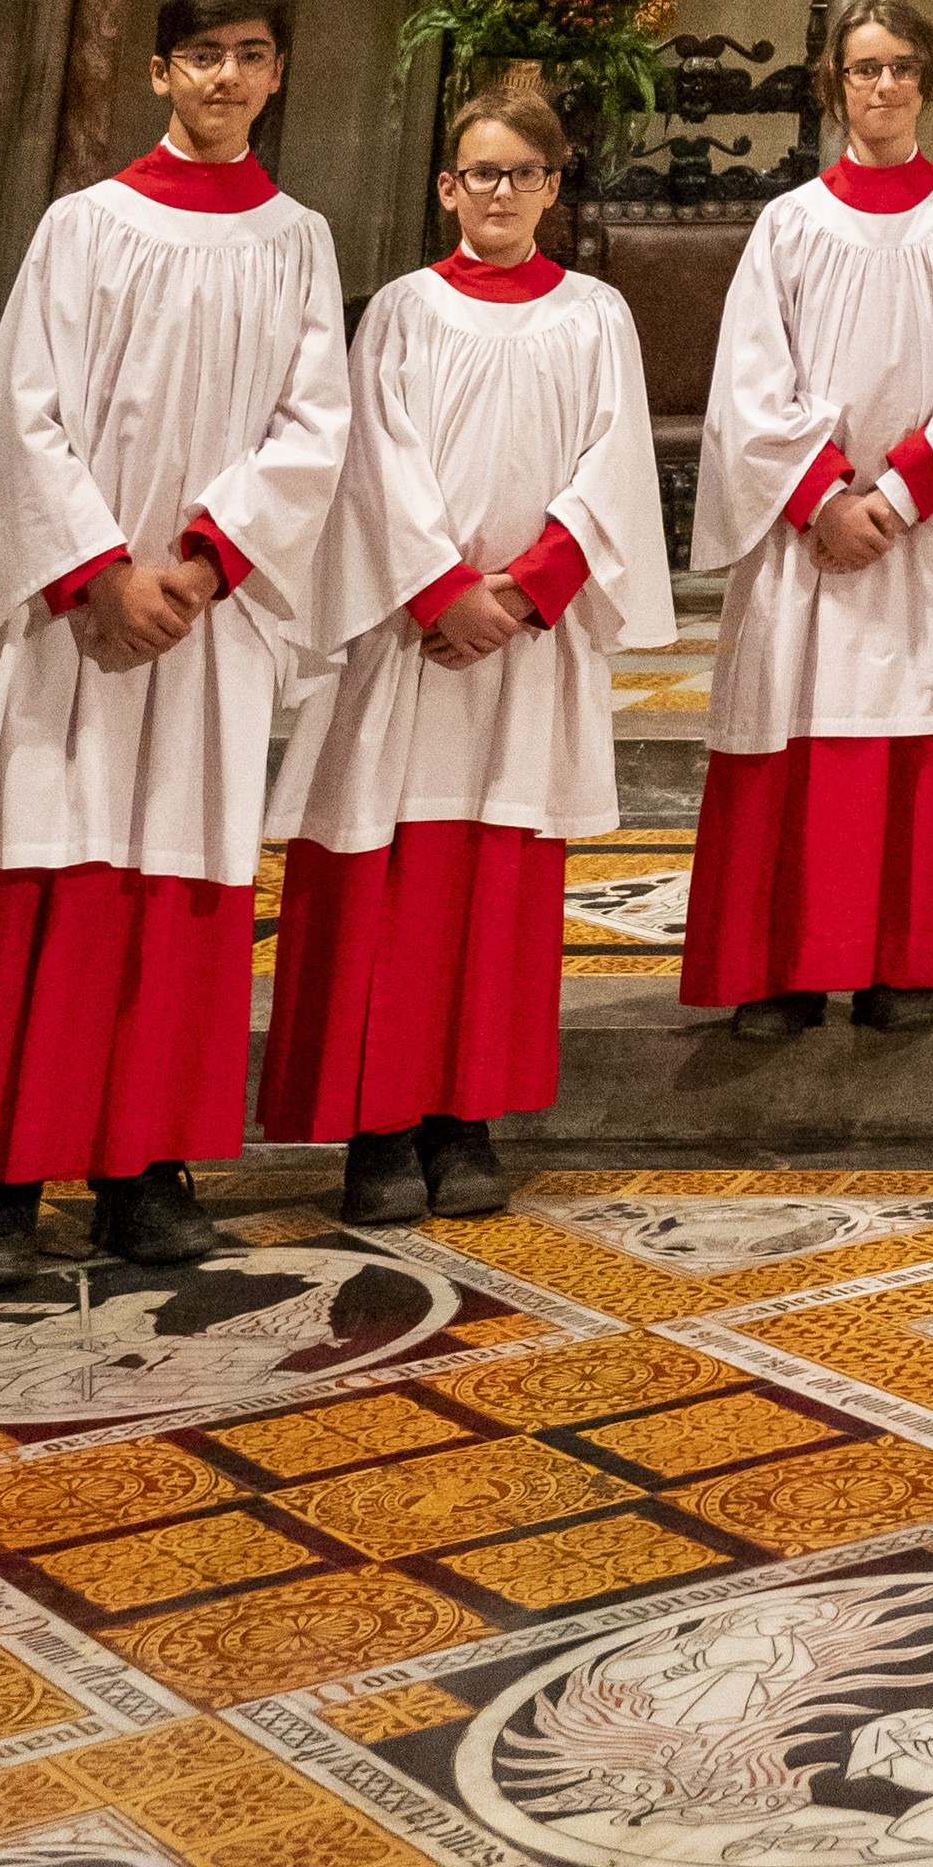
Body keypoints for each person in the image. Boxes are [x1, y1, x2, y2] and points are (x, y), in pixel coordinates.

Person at [0, 0, 350, 1290]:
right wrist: (101, 572)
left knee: (175, 889)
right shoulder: (84, 226)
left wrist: (202, 567)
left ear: (274, 76)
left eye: (249, 55)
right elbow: (22, 419)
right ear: (159, 72)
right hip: (70, 622)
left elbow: (314, 428)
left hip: (203, 622)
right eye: (201, 54)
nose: (224, 77)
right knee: (42, 878)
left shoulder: (299, 239)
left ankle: (146, 1168)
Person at [260, 90, 673, 1223]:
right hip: (412, 640)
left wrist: (532, 587)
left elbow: (612, 464)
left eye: (522, 174)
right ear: (447, 186)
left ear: (554, 186)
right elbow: (370, 463)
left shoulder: (595, 314)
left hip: (522, 647)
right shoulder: (400, 309)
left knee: (498, 884)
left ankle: (467, 1117)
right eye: (479, 173)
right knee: (384, 877)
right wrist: (443, 589)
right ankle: (378, 1125)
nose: (500, 192)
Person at [687, 0, 933, 1042]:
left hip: (919, 534)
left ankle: (897, 961)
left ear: (930, 81)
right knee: (794, 730)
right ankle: (783, 965)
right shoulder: (789, 222)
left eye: (904, 68)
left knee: (909, 733)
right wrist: (823, 493)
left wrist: (903, 491)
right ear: (836, 83)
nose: (885, 87)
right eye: (866, 69)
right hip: (810, 533)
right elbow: (751, 377)